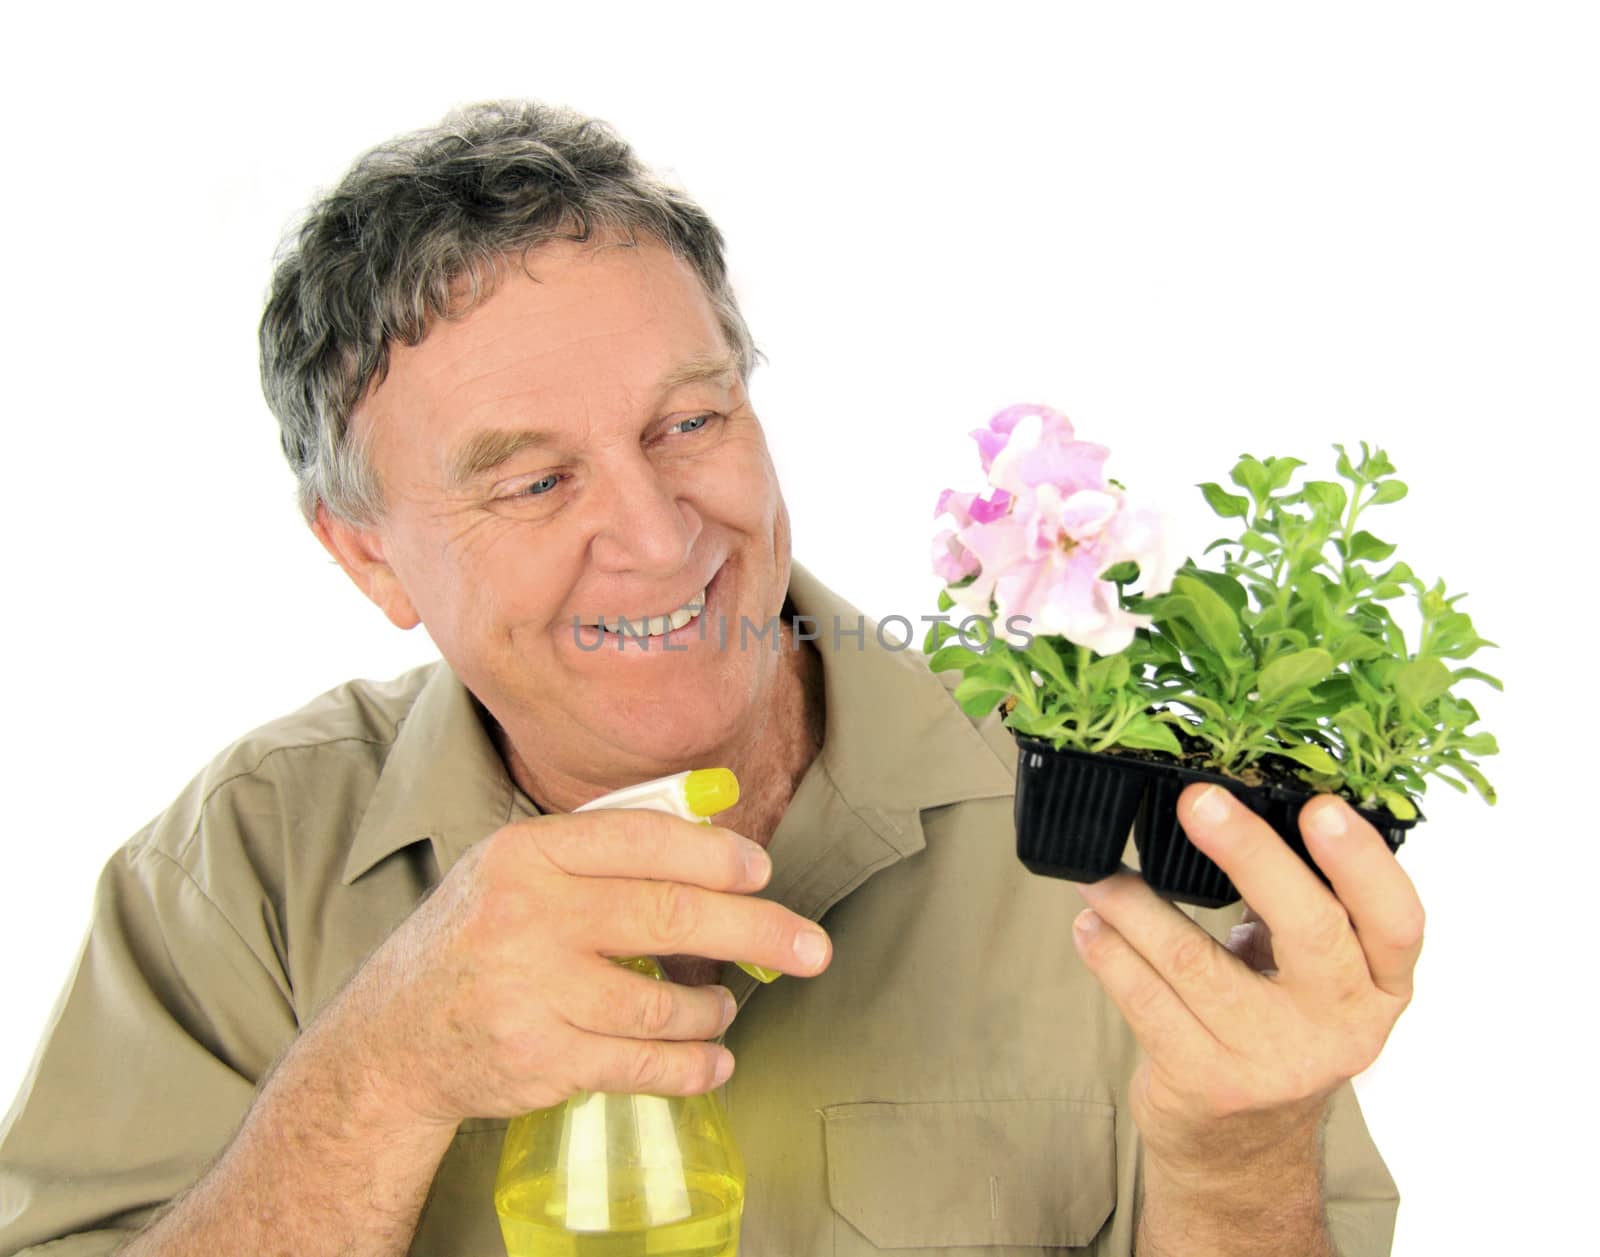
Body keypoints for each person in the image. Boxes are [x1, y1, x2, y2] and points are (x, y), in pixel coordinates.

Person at [0, 100, 1418, 1256]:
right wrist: (383, 1071)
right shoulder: (240, 870)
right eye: (540, 480)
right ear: (367, 557)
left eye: (689, 421)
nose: (662, 533)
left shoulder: (1100, 818)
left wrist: (1236, 1160)